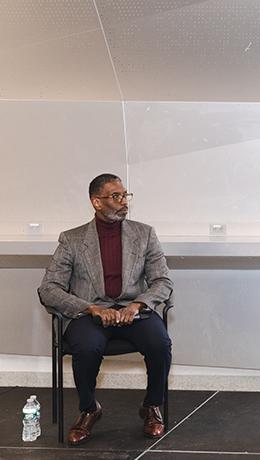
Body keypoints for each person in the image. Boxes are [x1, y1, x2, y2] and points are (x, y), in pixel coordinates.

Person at [38, 173, 173, 446]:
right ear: (97, 202)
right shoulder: (72, 240)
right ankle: (89, 409)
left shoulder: (144, 234)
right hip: (91, 314)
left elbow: (162, 281)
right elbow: (49, 289)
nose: (124, 202)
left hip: (133, 312)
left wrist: (137, 305)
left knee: (159, 343)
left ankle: (151, 406)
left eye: (125, 196)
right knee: (87, 348)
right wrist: (89, 308)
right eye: (116, 197)